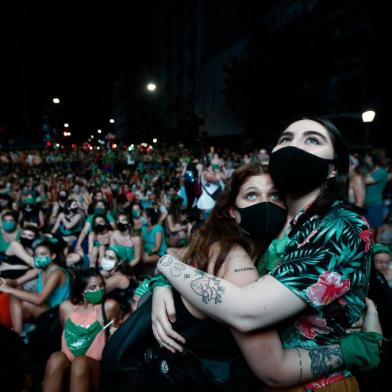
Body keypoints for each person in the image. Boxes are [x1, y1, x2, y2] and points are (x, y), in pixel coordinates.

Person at [153, 117, 378, 391]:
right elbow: (192, 260)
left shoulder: (338, 225)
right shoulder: (279, 229)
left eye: (312, 140)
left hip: (320, 386)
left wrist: (167, 264)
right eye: (285, 139)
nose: (294, 146)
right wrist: (162, 283)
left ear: (333, 169)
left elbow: (247, 310)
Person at [42, 268, 120, 392]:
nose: (99, 290)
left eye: (101, 285)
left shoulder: (109, 306)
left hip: (94, 366)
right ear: (81, 291)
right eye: (93, 287)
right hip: (69, 363)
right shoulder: (66, 307)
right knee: (56, 358)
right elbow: (64, 333)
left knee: (80, 363)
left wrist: (113, 334)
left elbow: (117, 335)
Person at [0, 238, 70, 334]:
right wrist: (4, 282)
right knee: (17, 295)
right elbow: (16, 281)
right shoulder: (40, 270)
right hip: (44, 310)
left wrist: (8, 289)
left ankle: (17, 335)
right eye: (36, 255)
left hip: (56, 316)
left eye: (43, 254)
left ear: (53, 256)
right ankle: (18, 332)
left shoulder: (58, 272)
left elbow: (39, 300)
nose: (38, 257)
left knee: (24, 301)